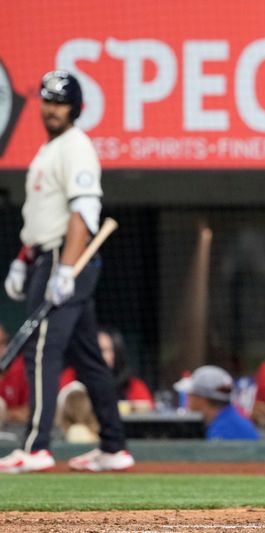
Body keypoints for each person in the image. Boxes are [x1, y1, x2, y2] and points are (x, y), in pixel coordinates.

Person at [0, 70, 133, 473]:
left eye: (59, 101)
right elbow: (45, 218)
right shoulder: (49, 150)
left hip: (66, 258)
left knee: (42, 349)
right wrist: (24, 260)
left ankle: (36, 446)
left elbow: (83, 212)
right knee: (89, 359)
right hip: (47, 255)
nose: (52, 108)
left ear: (74, 107)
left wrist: (66, 270)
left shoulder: (76, 146)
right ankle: (113, 447)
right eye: (47, 100)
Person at [60, 326, 155, 413]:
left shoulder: (132, 385)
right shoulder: (71, 377)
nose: (99, 356)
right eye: (95, 350)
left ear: (116, 354)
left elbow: (148, 411)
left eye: (105, 350)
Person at [174, 365, 260, 441]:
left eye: (190, 393)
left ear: (202, 398)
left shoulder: (226, 428)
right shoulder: (225, 418)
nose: (187, 397)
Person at [0, 324, 29, 427]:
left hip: (14, 433)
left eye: (3, 342)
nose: (2, 349)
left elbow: (31, 411)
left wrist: (5, 414)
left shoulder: (19, 367)